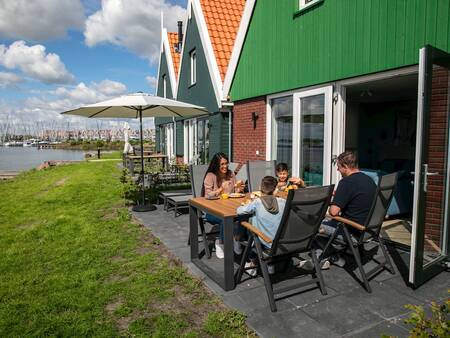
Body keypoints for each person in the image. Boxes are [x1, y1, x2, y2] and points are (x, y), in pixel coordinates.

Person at [319, 150, 377, 267]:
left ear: (345, 167)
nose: (337, 170)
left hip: (352, 231)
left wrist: (331, 202)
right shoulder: (369, 180)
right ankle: (323, 255)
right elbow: (359, 199)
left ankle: (332, 256)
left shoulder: (346, 182)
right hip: (368, 230)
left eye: (339, 167)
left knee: (313, 227)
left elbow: (333, 212)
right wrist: (341, 196)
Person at [237, 176, 286, 275]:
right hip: (282, 242)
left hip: (266, 243)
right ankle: (270, 264)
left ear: (260, 187)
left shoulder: (257, 202)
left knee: (249, 225)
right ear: (275, 189)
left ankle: (251, 261)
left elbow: (239, 211)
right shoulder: (283, 202)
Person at [202, 152, 245, 259]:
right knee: (224, 218)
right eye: (222, 164)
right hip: (211, 210)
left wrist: (239, 189)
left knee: (245, 215)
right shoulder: (210, 176)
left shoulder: (231, 174)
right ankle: (220, 243)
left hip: (229, 207)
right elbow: (207, 195)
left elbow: (235, 190)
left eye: (226, 163)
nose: (225, 166)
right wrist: (221, 188)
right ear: (216, 165)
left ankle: (236, 238)